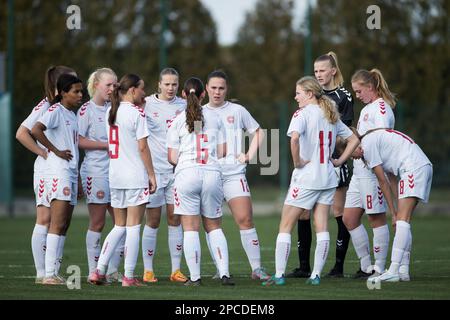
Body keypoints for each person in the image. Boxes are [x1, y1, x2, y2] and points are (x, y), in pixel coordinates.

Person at [262, 76, 359, 286]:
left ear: (309, 93)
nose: (295, 97)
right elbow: (354, 139)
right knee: (322, 226)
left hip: (307, 178)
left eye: (298, 93)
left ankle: (278, 276)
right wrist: (340, 160)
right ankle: (315, 275)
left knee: (285, 225)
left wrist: (297, 162)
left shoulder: (302, 114)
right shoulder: (330, 113)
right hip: (327, 178)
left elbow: (294, 139)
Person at [289, 51, 355, 278]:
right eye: (315, 71)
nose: (318, 74)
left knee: (339, 212)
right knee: (304, 214)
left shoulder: (343, 96)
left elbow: (343, 135)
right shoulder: (310, 96)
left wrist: (335, 155)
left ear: (333, 71)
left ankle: (337, 266)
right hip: (312, 165)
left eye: (322, 70)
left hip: (332, 163)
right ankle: (304, 267)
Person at [90, 74, 157, 287]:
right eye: (142, 89)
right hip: (135, 176)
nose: (144, 93)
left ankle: (98, 270)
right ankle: (128, 276)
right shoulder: (136, 113)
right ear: (133, 90)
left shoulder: (112, 110)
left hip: (116, 176)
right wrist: (152, 175)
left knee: (119, 225)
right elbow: (143, 147)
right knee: (133, 226)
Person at [167, 77, 233, 286]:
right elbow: (223, 152)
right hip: (212, 172)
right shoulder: (214, 117)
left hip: (187, 173)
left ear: (183, 95)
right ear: (203, 94)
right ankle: (224, 274)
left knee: (190, 228)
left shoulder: (177, 120)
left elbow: (172, 157)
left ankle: (195, 277)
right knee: (214, 227)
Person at [204, 70, 270, 281]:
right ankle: (220, 268)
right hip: (209, 175)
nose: (217, 92)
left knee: (245, 218)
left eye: (221, 88)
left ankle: (256, 269)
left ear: (227, 89)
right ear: (206, 89)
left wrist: (249, 155)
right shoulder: (199, 112)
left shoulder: (238, 110)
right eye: (213, 88)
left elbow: (259, 132)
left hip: (234, 174)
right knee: (212, 225)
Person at [16, 66, 76, 284]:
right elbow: (22, 133)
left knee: (58, 220)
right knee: (45, 219)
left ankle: (50, 272)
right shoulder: (46, 106)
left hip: (58, 169)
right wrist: (44, 152)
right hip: (47, 170)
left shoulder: (63, 108)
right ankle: (43, 272)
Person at [355, 128, 432, 282]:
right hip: (418, 167)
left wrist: (393, 213)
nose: (353, 158)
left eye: (350, 153)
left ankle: (393, 270)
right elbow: (391, 177)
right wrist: (395, 210)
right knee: (404, 221)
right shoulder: (374, 141)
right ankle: (403, 270)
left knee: (402, 220)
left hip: (412, 169)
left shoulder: (368, 144)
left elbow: (382, 181)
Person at [343, 69, 398, 279]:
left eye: (359, 91)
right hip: (359, 171)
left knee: (376, 217)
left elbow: (382, 141)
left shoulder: (381, 108)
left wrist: (361, 150)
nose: (357, 96)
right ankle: (366, 266)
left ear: (370, 87)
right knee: (349, 218)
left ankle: (379, 268)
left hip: (372, 170)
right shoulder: (368, 108)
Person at [31, 74, 84, 285]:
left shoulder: (72, 114)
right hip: (58, 172)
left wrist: (77, 177)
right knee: (57, 222)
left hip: (70, 173)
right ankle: (48, 274)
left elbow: (73, 147)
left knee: (64, 224)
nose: (80, 95)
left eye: (81, 91)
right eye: (75, 91)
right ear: (63, 93)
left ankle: (53, 272)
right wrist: (54, 150)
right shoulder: (55, 111)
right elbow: (35, 129)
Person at [141, 68, 188, 284]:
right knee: (152, 220)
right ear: (158, 84)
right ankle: (148, 271)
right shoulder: (147, 104)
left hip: (176, 172)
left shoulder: (183, 106)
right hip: (154, 172)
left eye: (174, 84)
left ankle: (175, 270)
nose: (170, 88)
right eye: (167, 84)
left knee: (174, 218)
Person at [78, 68, 124, 284]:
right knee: (97, 223)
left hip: (116, 171)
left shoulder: (114, 109)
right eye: (108, 85)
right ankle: (93, 270)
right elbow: (77, 140)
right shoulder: (86, 110)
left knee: (121, 222)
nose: (112, 89)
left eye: (115, 85)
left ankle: (113, 270)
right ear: (96, 84)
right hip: (95, 172)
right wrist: (107, 145)